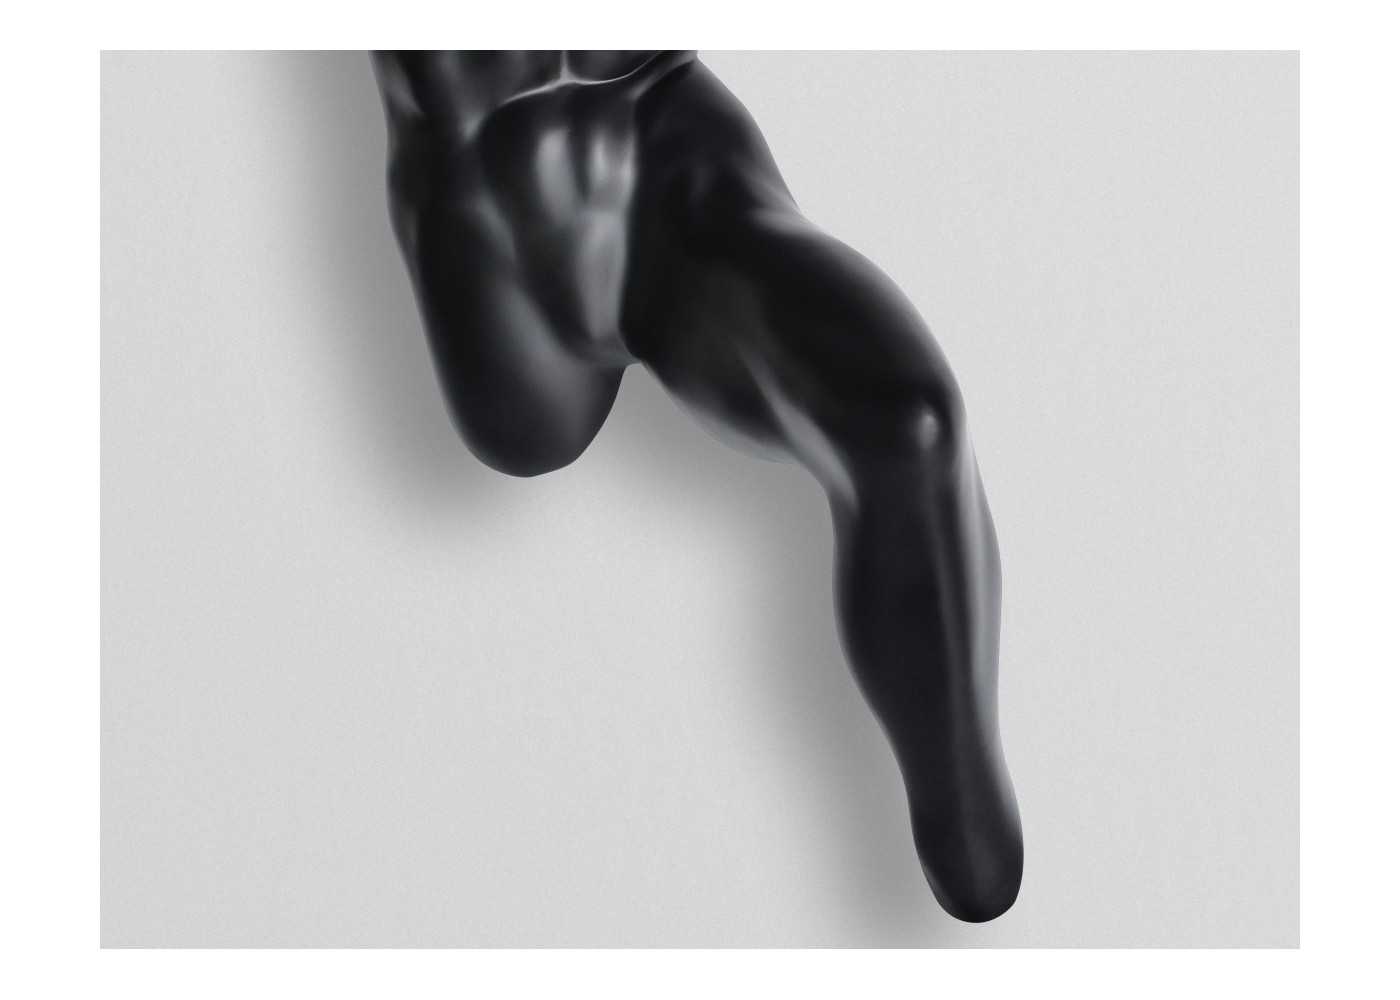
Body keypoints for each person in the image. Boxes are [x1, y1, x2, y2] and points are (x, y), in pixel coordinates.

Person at [372, 50, 1023, 922]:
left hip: (669, 145)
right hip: (486, 222)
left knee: (912, 426)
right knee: (525, 436)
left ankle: (967, 826)